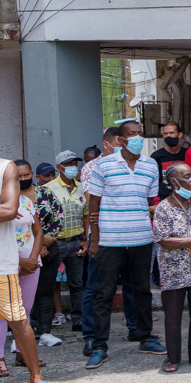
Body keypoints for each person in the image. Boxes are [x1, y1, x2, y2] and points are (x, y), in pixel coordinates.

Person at [86, 119, 166, 369]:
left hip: (142, 238)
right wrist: (95, 240)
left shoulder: (151, 165)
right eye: (132, 134)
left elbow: (147, 199)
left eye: (140, 133)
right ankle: (99, 346)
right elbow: (93, 205)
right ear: (120, 140)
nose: (137, 138)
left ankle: (145, 337)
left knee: (142, 291)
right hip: (110, 240)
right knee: (104, 294)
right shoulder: (104, 165)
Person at [0, 154, 57, 383]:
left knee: (19, 320)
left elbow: (9, 210)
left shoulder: (2, 168)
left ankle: (37, 379)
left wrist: (3, 211)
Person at [152, 164, 191, 372]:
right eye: (186, 176)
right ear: (174, 182)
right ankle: (172, 358)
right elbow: (163, 240)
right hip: (174, 270)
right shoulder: (164, 208)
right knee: (172, 316)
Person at [0, 162, 44, 377]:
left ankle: (25, 360)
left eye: (24, 175)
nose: (21, 179)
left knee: (21, 313)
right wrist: (20, 262)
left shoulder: (25, 202)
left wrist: (32, 259)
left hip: (23, 264)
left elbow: (36, 231)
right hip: (11, 263)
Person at [79, 127, 120, 357]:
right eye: (120, 142)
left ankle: (137, 331)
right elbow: (92, 202)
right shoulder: (92, 168)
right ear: (107, 144)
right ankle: (90, 336)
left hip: (126, 231)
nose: (124, 147)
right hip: (101, 232)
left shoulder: (129, 164)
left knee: (134, 284)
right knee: (94, 285)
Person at [22, 161, 65, 345]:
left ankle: (45, 332)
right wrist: (36, 243)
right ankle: (24, 331)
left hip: (49, 250)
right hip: (22, 252)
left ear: (32, 174)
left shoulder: (45, 193)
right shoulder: (8, 197)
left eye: (26, 175)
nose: (23, 179)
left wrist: (47, 240)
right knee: (22, 293)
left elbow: (59, 216)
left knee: (45, 290)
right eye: (18, 176)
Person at [45, 150, 88, 333]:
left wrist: (86, 239)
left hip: (76, 241)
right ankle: (44, 323)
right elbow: (43, 217)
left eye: (75, 163)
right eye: (69, 164)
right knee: (47, 282)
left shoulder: (81, 187)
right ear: (59, 167)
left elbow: (86, 215)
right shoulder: (49, 188)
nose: (73, 167)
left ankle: (78, 320)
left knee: (77, 284)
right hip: (56, 242)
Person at [150, 121, 188, 200]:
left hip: (184, 198)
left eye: (171, 133)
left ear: (179, 134)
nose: (168, 136)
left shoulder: (187, 154)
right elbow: (153, 180)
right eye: (166, 134)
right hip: (164, 199)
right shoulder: (156, 156)